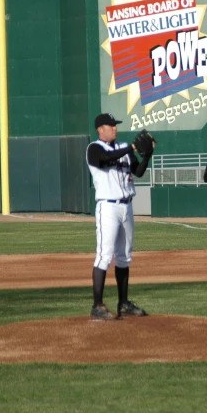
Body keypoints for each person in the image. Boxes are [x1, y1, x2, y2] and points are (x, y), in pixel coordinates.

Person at [85, 113, 154, 321]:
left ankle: (123, 303)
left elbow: (138, 172)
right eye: (111, 125)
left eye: (116, 125)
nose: (115, 128)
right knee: (104, 255)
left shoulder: (122, 148)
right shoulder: (94, 148)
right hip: (108, 206)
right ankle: (97, 305)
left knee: (124, 256)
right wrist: (132, 148)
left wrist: (147, 155)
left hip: (126, 207)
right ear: (100, 129)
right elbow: (105, 160)